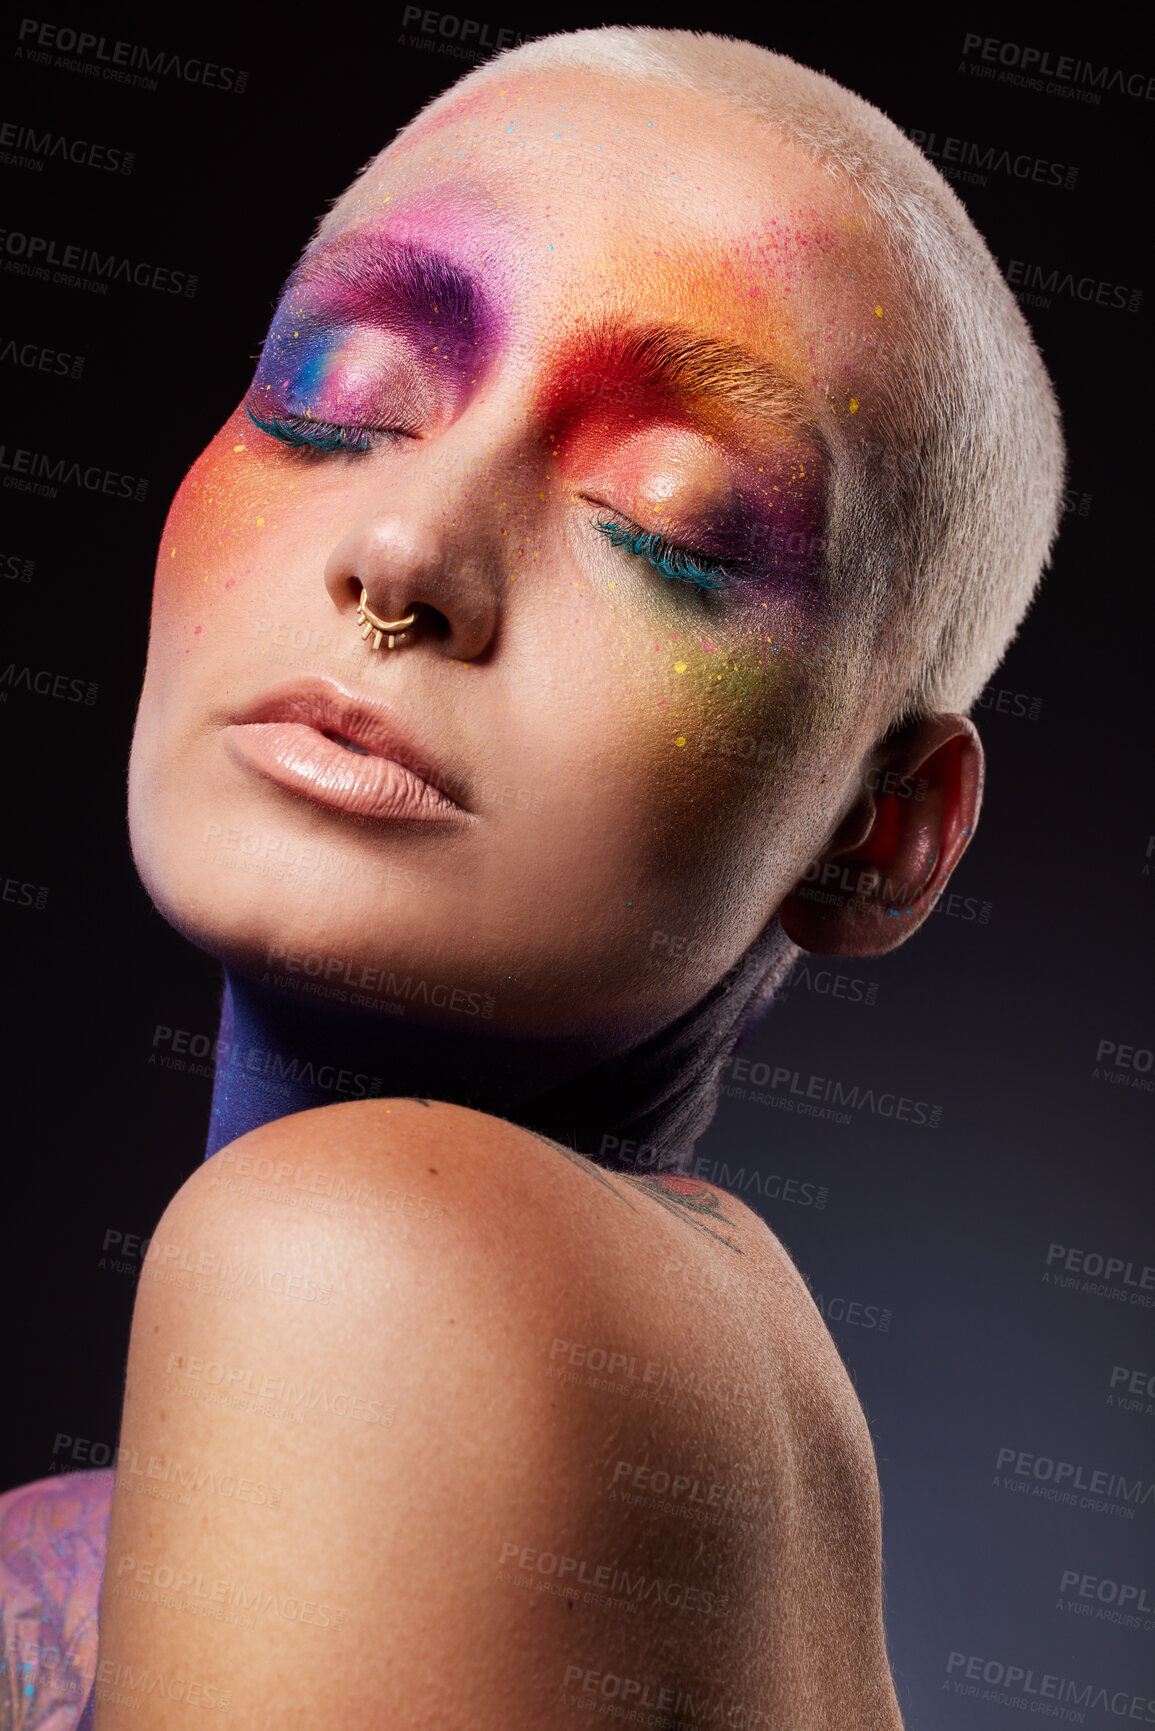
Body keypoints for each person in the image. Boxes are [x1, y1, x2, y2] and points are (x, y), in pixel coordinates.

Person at [0, 24, 1063, 1728]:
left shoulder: (364, 1270)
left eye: (665, 527)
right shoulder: (670, 1357)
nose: (406, 556)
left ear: (880, 833)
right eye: (336, 399)